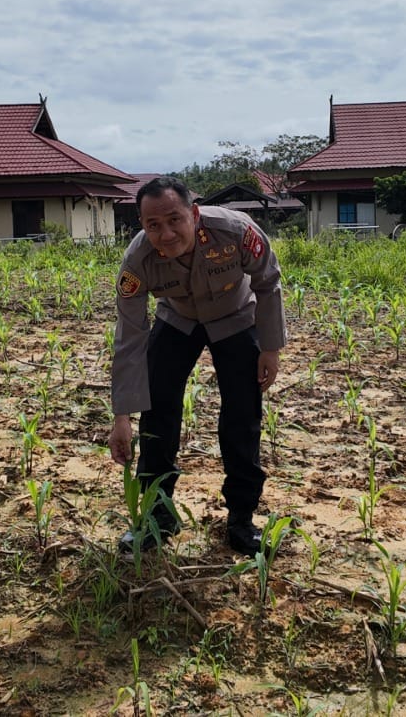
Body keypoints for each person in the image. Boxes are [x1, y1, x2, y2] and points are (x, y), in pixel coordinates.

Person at [107, 177, 286, 555]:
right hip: (178, 320)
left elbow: (267, 280)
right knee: (157, 411)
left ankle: (241, 519)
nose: (166, 234)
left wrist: (270, 348)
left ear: (194, 213)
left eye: (175, 220)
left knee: (242, 414)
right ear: (142, 225)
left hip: (235, 316)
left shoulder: (235, 232)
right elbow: (130, 336)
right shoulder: (137, 261)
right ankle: (157, 516)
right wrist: (121, 415)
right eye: (153, 225)